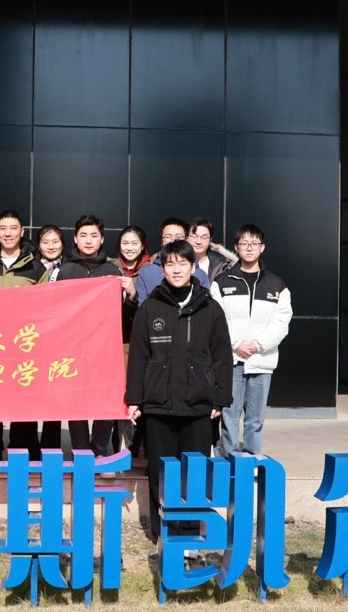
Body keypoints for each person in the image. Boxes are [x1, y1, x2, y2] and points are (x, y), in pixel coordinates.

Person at [125, 240, 232, 546]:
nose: (175, 269)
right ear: (162, 270)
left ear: (193, 268)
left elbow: (222, 357)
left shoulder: (210, 309)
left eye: (182, 263)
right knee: (161, 473)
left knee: (194, 472)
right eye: (169, 264)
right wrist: (135, 399)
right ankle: (163, 533)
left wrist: (221, 398)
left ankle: (189, 533)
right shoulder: (150, 308)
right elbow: (139, 357)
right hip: (158, 406)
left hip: (198, 407)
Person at [0, 210, 47, 472]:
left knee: (22, 399)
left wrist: (26, 298)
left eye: (13, 228)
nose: (8, 233)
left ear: (22, 232)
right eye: (3, 228)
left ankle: (17, 451)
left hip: (24, 344)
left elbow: (47, 304)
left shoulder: (36, 267)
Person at [210, 224, 292, 457]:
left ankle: (252, 458)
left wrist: (258, 345)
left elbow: (281, 322)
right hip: (232, 359)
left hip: (261, 360)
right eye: (244, 243)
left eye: (254, 244)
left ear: (262, 248)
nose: (249, 248)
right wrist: (236, 344)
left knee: (255, 417)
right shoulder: (221, 282)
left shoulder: (277, 285)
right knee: (230, 414)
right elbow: (218, 319)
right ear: (236, 247)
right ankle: (229, 457)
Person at [57, 214, 124, 457]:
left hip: (105, 348)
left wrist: (131, 294)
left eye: (94, 235)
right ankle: (81, 452)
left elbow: (123, 311)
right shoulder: (65, 271)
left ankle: (100, 450)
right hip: (73, 347)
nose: (88, 240)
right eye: (83, 235)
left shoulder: (112, 271)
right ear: (75, 239)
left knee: (106, 399)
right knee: (77, 402)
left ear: (102, 239)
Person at [110, 225, 151, 466]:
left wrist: (134, 294)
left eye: (134, 243)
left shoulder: (151, 270)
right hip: (117, 341)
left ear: (143, 245)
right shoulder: (110, 268)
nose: (129, 247)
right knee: (119, 395)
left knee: (140, 394)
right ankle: (118, 448)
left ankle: (138, 448)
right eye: (125, 243)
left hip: (142, 341)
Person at [34, 224, 66, 450]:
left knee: (54, 393)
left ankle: (50, 445)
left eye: (55, 242)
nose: (51, 246)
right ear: (38, 245)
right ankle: (29, 444)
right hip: (33, 338)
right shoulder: (32, 266)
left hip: (60, 338)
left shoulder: (70, 267)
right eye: (46, 242)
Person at [135, 218, 207, 305]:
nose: (173, 240)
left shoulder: (200, 274)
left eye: (179, 236)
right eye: (168, 236)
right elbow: (142, 307)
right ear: (161, 241)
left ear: (187, 239)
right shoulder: (147, 273)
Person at [186, 218, 236, 285]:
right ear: (187, 238)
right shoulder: (178, 262)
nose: (198, 241)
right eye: (194, 236)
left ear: (210, 239)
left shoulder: (222, 264)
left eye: (204, 237)